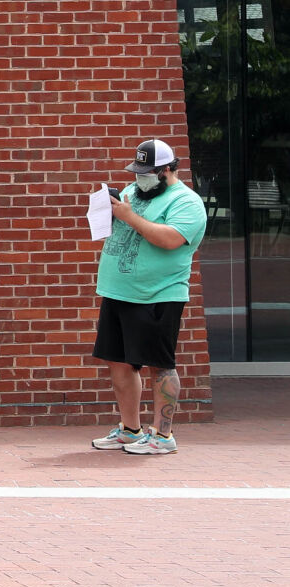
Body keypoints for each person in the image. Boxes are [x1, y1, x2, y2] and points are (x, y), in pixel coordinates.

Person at [90, 139, 207, 455]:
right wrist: (109, 210)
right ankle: (130, 429)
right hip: (118, 292)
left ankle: (163, 435)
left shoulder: (186, 202)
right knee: (118, 361)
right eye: (136, 171)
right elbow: (119, 227)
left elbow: (171, 239)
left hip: (157, 295)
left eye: (146, 173)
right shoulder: (133, 192)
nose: (138, 178)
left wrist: (129, 217)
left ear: (166, 170)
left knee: (160, 364)